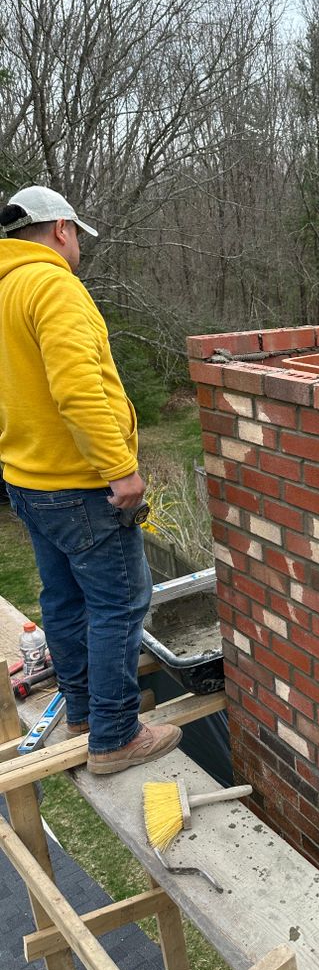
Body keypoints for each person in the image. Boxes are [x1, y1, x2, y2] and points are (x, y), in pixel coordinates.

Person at [0, 185, 181, 773]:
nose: (77, 246)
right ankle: (114, 735)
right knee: (121, 604)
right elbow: (77, 392)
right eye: (76, 235)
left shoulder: (5, 289)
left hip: (27, 481)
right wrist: (120, 470)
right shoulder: (52, 286)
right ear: (60, 230)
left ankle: (82, 712)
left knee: (65, 599)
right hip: (79, 486)